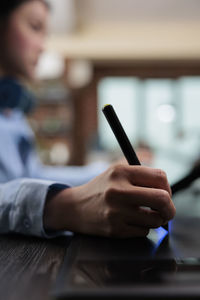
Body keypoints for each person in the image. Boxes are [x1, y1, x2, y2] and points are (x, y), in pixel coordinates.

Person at [0, 0, 176, 238]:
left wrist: (110, 172)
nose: (43, 45)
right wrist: (63, 206)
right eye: (34, 27)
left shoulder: (14, 113)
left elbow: (33, 173)